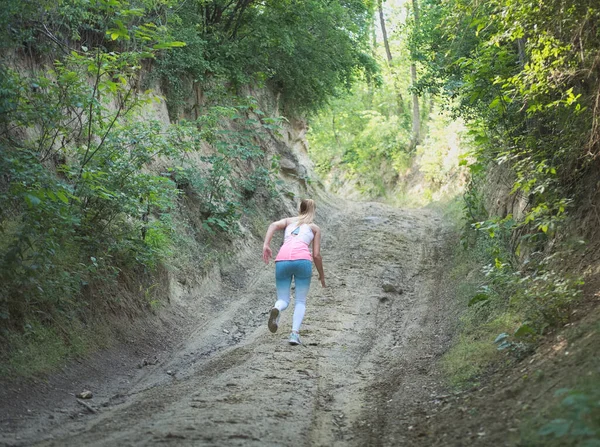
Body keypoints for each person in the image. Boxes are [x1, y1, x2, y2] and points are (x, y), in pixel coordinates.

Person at [262, 199, 326, 345]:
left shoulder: (289, 221)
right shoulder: (314, 228)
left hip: (282, 260)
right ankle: (294, 335)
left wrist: (266, 244)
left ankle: (277, 308)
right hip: (302, 261)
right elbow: (316, 255)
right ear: (313, 210)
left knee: (283, 299)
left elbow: (273, 225)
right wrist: (321, 275)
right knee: (300, 301)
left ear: (300, 209)